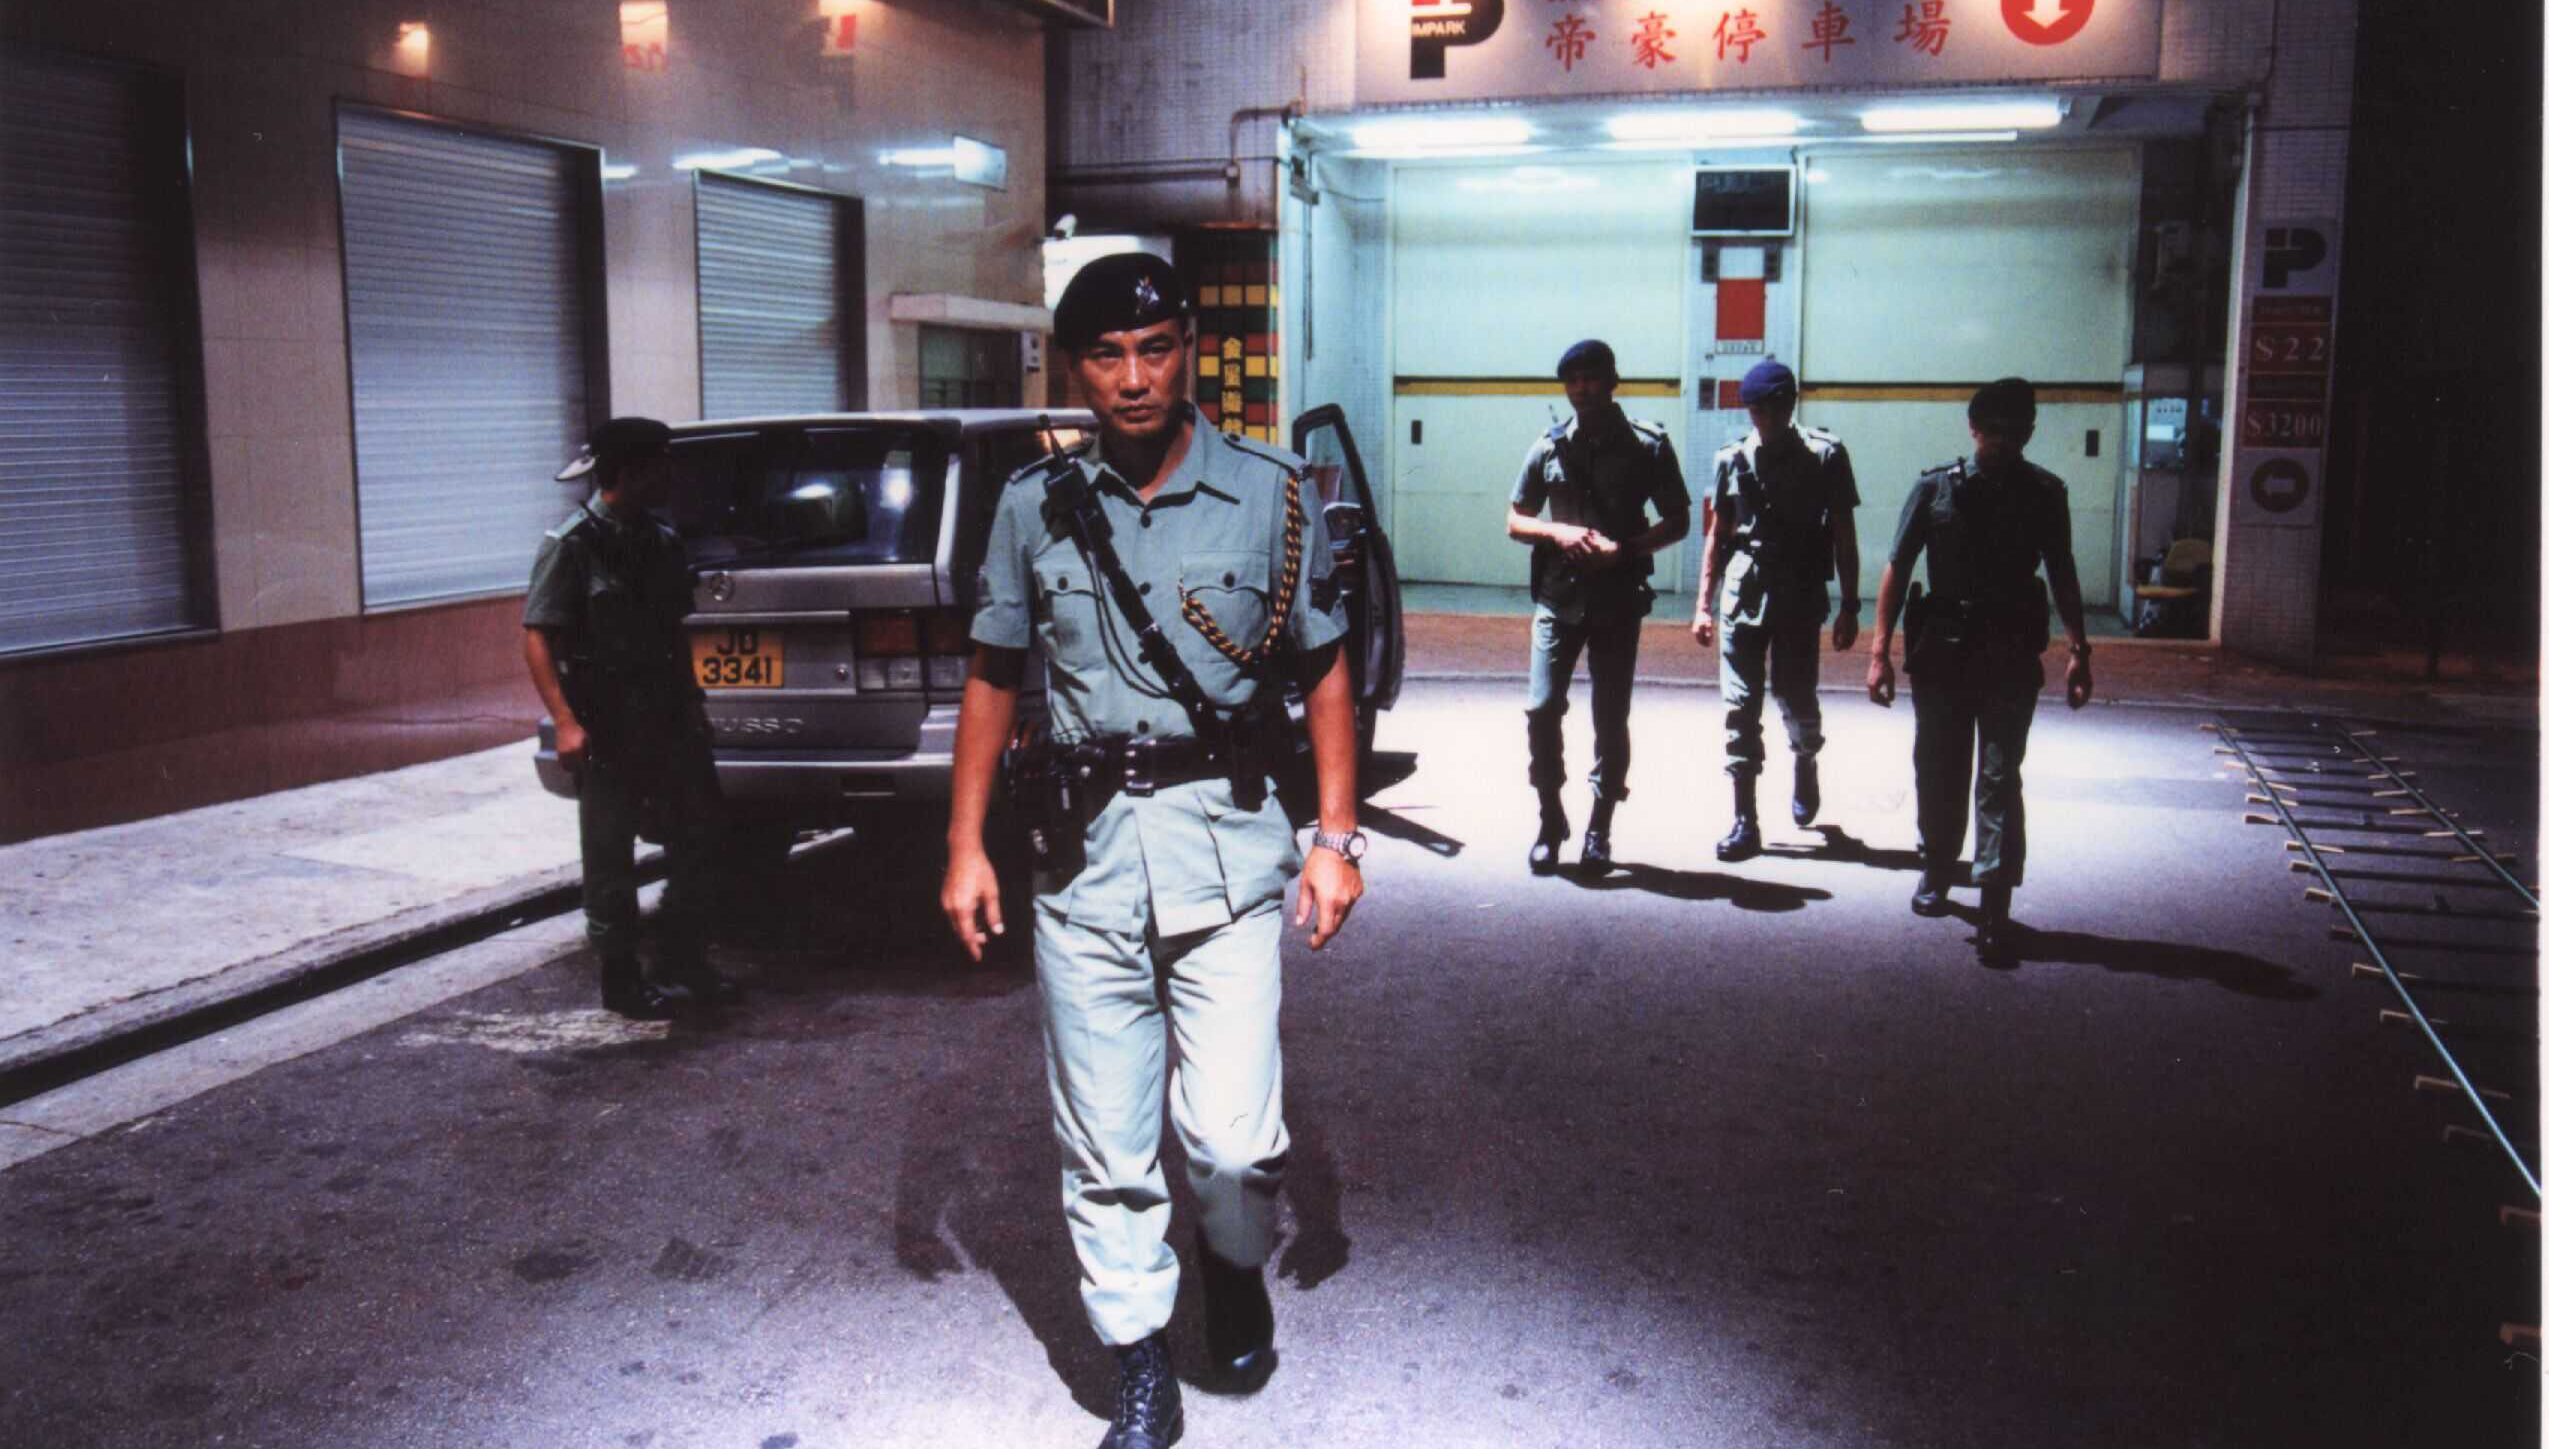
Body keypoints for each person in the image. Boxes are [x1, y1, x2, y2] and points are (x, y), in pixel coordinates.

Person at [938, 252, 1365, 1449]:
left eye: (1154, 351)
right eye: (1106, 358)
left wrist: (1334, 837)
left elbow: (1323, 670)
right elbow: (993, 673)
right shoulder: (1033, 505)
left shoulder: (1270, 495)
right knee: (1104, 1140)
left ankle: (1229, 1261)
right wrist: (964, 842)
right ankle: (1137, 1357)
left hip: (1226, 854)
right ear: (1072, 370)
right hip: (1080, 862)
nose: (1132, 380)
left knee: (1232, 1142)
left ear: (1188, 352)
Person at [1864, 378, 2094, 959]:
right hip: (1942, 653)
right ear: (1973, 429)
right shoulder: (1934, 488)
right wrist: (1879, 653)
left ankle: (1994, 899)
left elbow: (2063, 572)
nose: (2002, 443)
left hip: (2009, 653)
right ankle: (1938, 866)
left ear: (2029, 433)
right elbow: (1897, 567)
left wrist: (2079, 649)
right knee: (1939, 767)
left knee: (1999, 775)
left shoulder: (2044, 494)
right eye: (1993, 432)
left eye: (2014, 433)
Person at [522, 416, 742, 1019]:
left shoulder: (661, 541)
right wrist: (565, 721)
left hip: (668, 715)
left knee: (701, 836)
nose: (671, 475)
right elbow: (538, 636)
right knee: (610, 852)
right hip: (608, 720)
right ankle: (621, 978)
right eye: (660, 464)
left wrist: (693, 704)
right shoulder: (572, 544)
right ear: (628, 471)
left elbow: (672, 634)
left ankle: (685, 960)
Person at [1506, 339, 1691, 874]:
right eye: (1572, 381)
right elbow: (1515, 519)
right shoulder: (1548, 447)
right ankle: (1550, 818)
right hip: (1557, 598)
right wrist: (1558, 532)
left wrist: (1625, 550)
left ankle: (1599, 827)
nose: (1581, 389)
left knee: (1610, 718)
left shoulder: (1647, 446)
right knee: (1542, 709)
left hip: (1617, 600)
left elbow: (1678, 520)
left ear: (1612, 382)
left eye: (1590, 378)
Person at [1691, 360, 1861, 862]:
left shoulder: (1826, 456)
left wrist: (1851, 606)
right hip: (1743, 592)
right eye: (1755, 409)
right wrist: (1703, 604)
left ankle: (1805, 757)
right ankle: (1745, 820)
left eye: (1771, 407)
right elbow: (1718, 535)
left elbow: (1844, 535)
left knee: (1796, 698)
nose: (1762, 417)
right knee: (1740, 707)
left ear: (1790, 405)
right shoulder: (1731, 459)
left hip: (1799, 593)